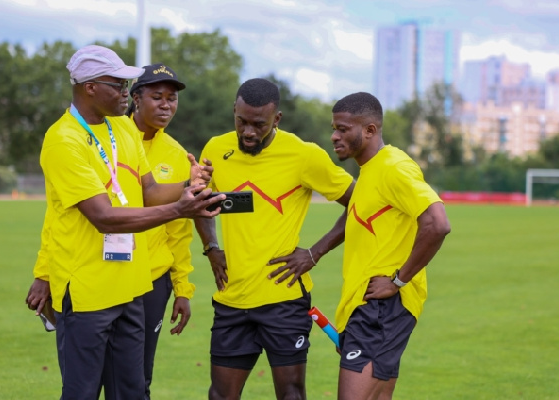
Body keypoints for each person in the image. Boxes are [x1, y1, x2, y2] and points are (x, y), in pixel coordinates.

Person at [25, 45, 224, 400]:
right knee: (82, 392)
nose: (124, 94)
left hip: (133, 285)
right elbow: (103, 217)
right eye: (117, 85)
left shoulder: (122, 129)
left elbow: (148, 190)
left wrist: (188, 190)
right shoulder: (63, 140)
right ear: (89, 87)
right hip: (87, 289)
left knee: (132, 391)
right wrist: (180, 210)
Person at [196, 78, 355, 400]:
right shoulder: (215, 149)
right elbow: (200, 200)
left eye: (259, 124)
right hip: (232, 298)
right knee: (220, 396)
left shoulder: (304, 155)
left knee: (291, 394)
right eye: (241, 122)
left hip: (283, 300)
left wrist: (315, 253)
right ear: (234, 112)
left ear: (276, 120)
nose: (249, 132)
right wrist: (212, 247)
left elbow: (362, 203)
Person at [329, 92, 451, 400]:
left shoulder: (394, 167)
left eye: (344, 129)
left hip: (382, 309)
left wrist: (399, 280)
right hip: (368, 309)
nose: (334, 136)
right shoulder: (369, 171)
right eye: (334, 128)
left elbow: (437, 223)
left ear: (369, 130)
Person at [125, 63, 195, 399]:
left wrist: (182, 288)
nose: (166, 105)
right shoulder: (108, 138)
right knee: (94, 375)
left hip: (154, 279)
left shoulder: (178, 155)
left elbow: (179, 231)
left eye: (172, 98)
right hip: (107, 272)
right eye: (157, 97)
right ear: (135, 98)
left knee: (139, 377)